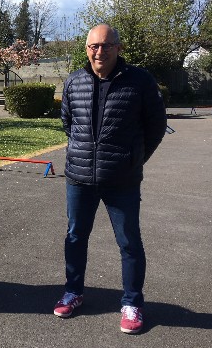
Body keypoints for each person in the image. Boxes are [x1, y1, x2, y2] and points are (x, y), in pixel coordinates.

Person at [54, 24, 166, 334]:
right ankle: (73, 292)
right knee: (75, 236)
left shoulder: (139, 81)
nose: (99, 51)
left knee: (129, 242)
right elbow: (68, 122)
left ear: (118, 47)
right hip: (79, 177)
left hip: (122, 179)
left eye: (106, 45)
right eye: (93, 46)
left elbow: (156, 126)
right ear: (87, 49)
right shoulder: (74, 81)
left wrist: (133, 159)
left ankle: (132, 303)